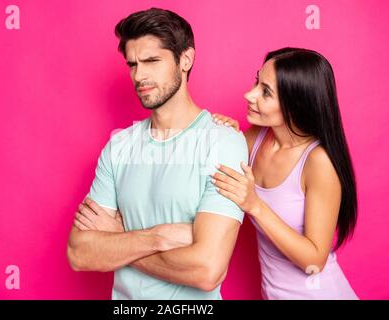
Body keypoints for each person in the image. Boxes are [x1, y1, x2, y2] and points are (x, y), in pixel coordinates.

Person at [66, 8, 249, 299]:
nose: (139, 75)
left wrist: (118, 240)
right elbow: (80, 253)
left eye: (152, 61)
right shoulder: (119, 146)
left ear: (185, 60)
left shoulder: (223, 142)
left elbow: (206, 270)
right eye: (132, 64)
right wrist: (159, 237)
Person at [211, 47, 358, 299]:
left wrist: (255, 206)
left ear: (296, 104)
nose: (249, 94)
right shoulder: (256, 139)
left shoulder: (318, 162)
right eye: (257, 81)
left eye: (265, 92)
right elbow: (213, 163)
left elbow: (314, 260)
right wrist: (224, 134)